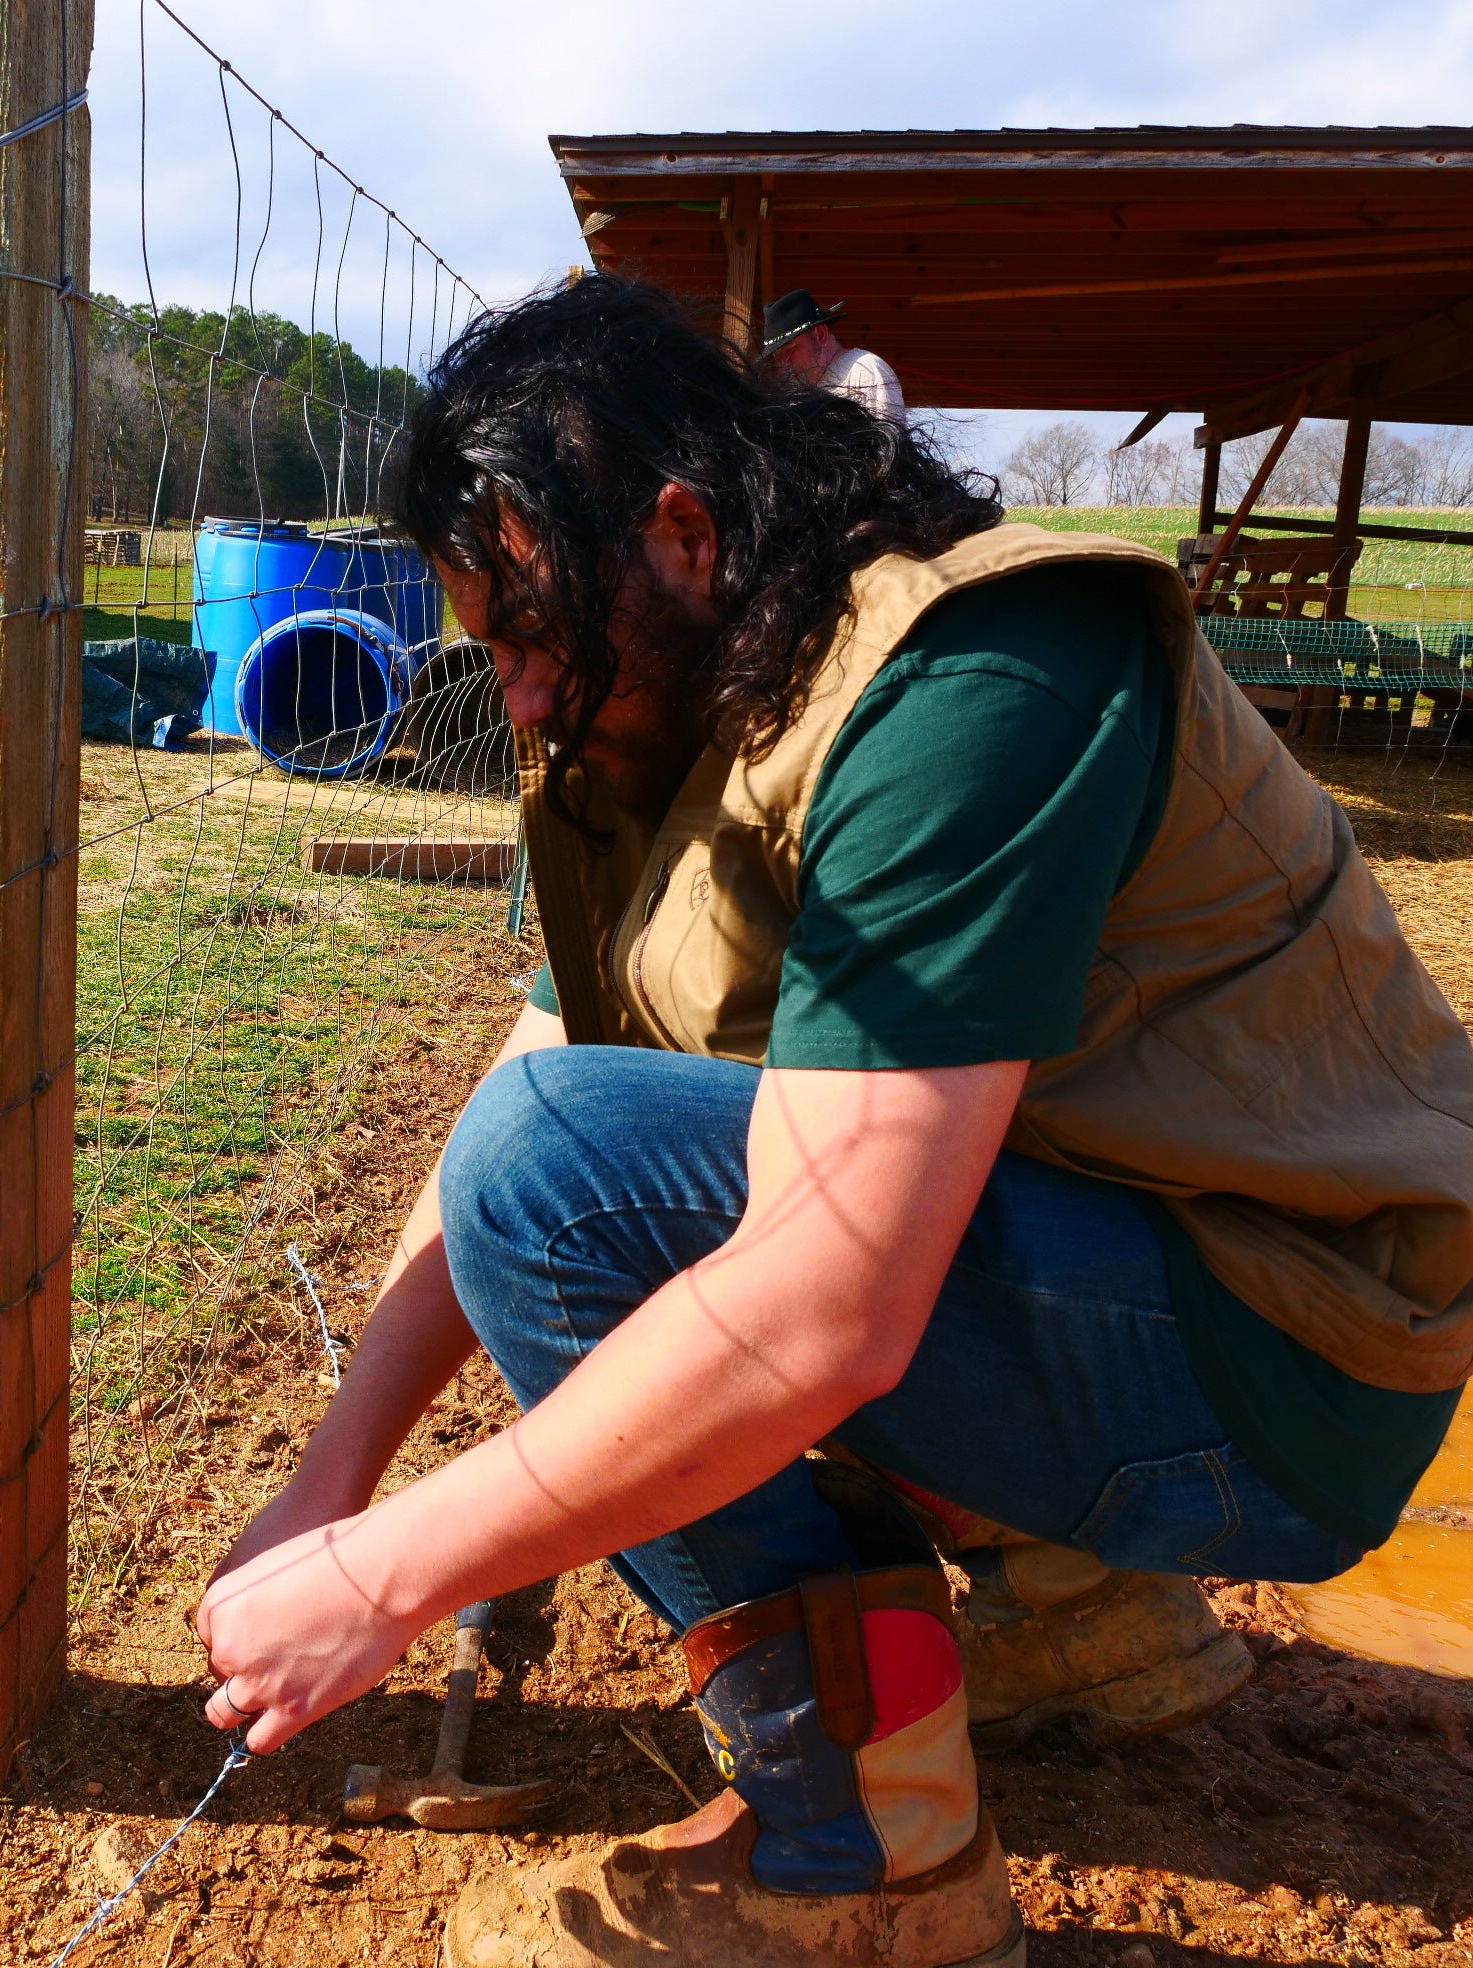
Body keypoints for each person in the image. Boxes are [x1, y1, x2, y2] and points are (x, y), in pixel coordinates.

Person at [195, 278, 1473, 1968]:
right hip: (1143, 1246)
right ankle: (1070, 1608)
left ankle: (859, 1852)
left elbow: (809, 1290)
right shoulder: (664, 700)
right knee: (608, 1152)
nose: (508, 699)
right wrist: (328, 1484)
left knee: (589, 1192)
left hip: (1296, 1353)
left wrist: (385, 1578)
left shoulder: (968, 676)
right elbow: (535, 1073)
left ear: (677, 534)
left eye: (523, 635)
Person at [764, 286, 906, 422]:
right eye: (778, 357)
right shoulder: (795, 395)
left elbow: (892, 444)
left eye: (790, 350)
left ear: (820, 335)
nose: (784, 363)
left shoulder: (865, 371)